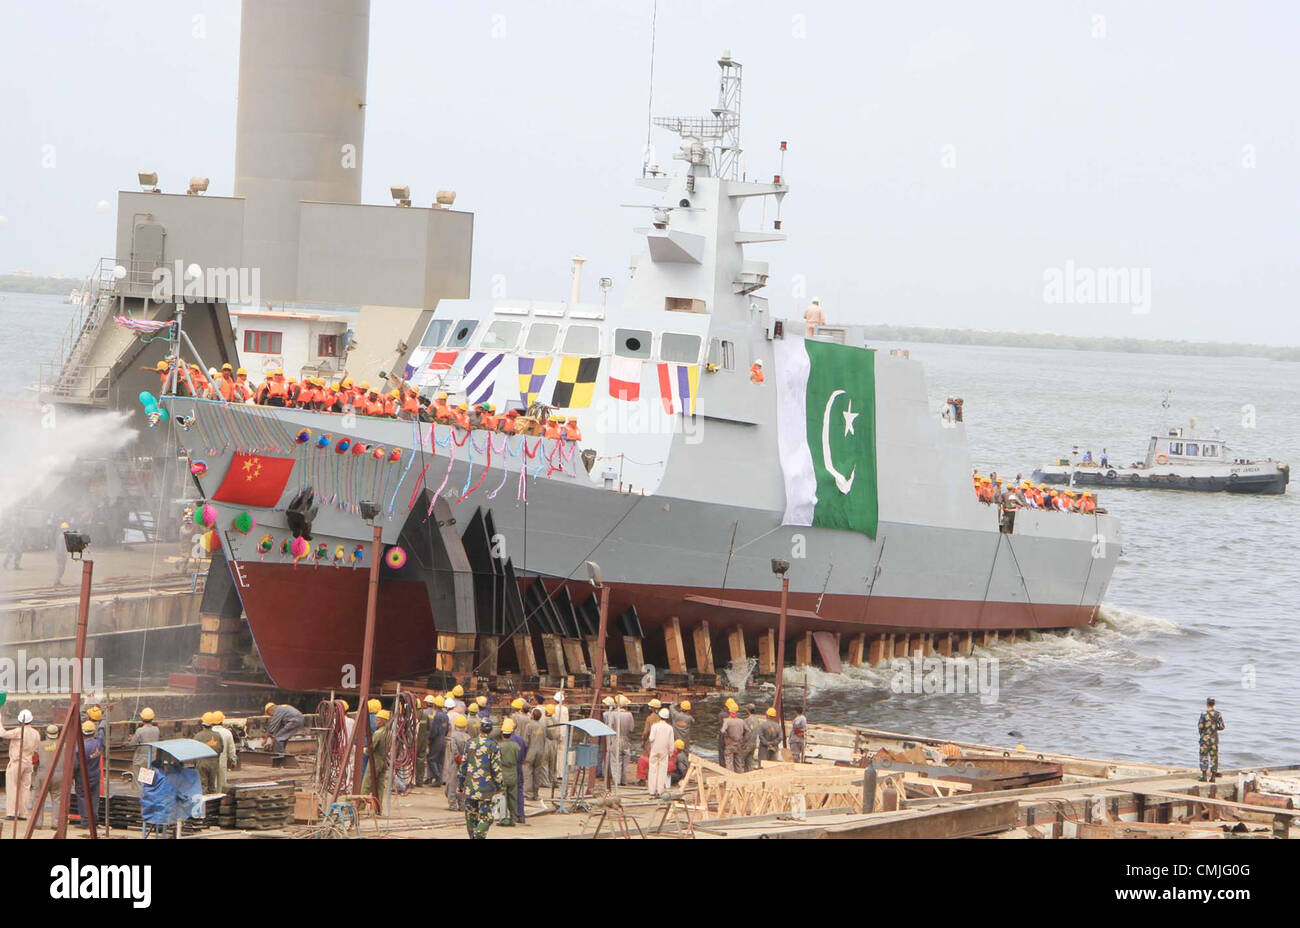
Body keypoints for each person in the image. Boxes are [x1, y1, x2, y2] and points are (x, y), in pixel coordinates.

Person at [458, 718, 504, 839]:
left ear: (480, 729)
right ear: (491, 730)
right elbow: (496, 769)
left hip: (470, 788)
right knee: (487, 817)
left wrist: (461, 784)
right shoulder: (493, 745)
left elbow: (463, 765)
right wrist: (499, 786)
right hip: (486, 790)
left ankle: (473, 836)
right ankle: (479, 835)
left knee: (470, 817)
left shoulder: (470, 743)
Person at [1, 710, 41, 821]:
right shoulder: (36, 733)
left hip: (16, 762)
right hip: (28, 763)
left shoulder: (19, 731)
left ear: (20, 720)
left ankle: (12, 813)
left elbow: (2, 733)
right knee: (25, 789)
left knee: (12, 787)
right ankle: (23, 813)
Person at [74, 720, 103, 829]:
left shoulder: (79, 746)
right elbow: (102, 732)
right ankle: (93, 820)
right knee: (94, 797)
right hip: (95, 774)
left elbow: (75, 764)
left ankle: (86, 821)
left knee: (82, 797)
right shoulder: (98, 743)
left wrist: (72, 775)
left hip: (83, 776)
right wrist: (103, 718)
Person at [361, 710, 391, 807]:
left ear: (383, 721)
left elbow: (371, 748)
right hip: (384, 761)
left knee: (366, 784)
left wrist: (364, 751)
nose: (375, 721)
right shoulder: (389, 732)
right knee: (379, 786)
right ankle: (378, 808)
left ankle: (360, 807)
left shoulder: (378, 733)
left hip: (376, 760)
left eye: (378, 720)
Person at [497, 719, 524, 826]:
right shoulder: (516, 746)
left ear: (502, 734)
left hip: (503, 773)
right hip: (513, 774)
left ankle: (504, 819)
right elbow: (520, 758)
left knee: (502, 797)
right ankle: (513, 818)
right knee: (513, 797)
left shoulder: (499, 746)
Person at [38, 724, 66, 828]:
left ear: (46, 733)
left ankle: (38, 823)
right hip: (59, 774)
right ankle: (55, 823)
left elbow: (35, 760)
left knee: (39, 799)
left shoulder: (40, 745)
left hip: (43, 774)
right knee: (57, 799)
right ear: (57, 734)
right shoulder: (64, 745)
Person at [607, 696, 635, 787]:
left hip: (615, 738)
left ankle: (616, 781)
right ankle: (623, 780)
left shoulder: (613, 714)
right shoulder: (629, 714)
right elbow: (631, 728)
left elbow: (610, 727)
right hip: (626, 739)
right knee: (625, 761)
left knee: (615, 761)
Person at [444, 715, 471, 811]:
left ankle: (452, 804)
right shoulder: (468, 737)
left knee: (452, 783)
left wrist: (458, 758)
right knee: (462, 784)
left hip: (455, 763)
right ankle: (462, 805)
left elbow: (454, 750)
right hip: (465, 763)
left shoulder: (454, 736)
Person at [192, 712, 223, 793]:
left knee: (203, 786)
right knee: (212, 786)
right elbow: (221, 749)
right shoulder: (217, 735)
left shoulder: (198, 736)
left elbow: (193, 751)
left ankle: (204, 804)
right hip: (214, 763)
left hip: (202, 763)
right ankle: (213, 804)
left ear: (203, 725)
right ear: (212, 724)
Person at [646, 708, 674, 798]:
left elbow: (651, 738)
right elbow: (671, 742)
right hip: (664, 751)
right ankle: (660, 790)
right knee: (662, 770)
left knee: (653, 770)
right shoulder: (670, 728)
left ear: (660, 716)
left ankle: (652, 791)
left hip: (654, 750)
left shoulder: (655, 726)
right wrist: (671, 752)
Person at [1198, 697, 1226, 782]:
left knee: (1203, 756)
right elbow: (1222, 726)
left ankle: (1204, 776)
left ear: (1207, 704)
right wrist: (1214, 728)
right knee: (1214, 757)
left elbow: (1200, 727)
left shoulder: (1203, 714)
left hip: (1205, 739)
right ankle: (1213, 777)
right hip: (1214, 739)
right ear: (1214, 704)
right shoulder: (1218, 714)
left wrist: (1203, 734)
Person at [522, 708, 548, 800]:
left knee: (528, 772)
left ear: (532, 716)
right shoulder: (543, 726)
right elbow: (545, 739)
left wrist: (523, 754)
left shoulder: (529, 726)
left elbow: (526, 741)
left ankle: (528, 794)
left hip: (530, 753)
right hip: (540, 752)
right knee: (537, 772)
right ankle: (536, 794)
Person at [210, 711, 238, 793]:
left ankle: (212, 800)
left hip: (211, 761)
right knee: (222, 784)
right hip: (222, 762)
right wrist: (233, 761)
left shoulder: (209, 732)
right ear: (222, 721)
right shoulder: (227, 733)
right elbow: (231, 749)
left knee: (212, 783)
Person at [427, 695, 449, 786]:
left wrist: (430, 739)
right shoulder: (445, 715)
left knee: (431, 759)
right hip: (443, 739)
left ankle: (438, 778)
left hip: (437, 740)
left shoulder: (437, 716)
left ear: (435, 705)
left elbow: (434, 730)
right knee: (440, 760)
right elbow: (447, 728)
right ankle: (437, 779)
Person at [720, 706, 746, 772]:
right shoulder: (741, 721)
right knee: (738, 762)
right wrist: (744, 739)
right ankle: (739, 777)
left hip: (730, 744)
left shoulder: (727, 721)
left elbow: (722, 731)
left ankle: (730, 777)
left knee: (729, 762)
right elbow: (748, 731)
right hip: (739, 744)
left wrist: (727, 737)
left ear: (730, 712)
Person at [740, 704, 761, 772]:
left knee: (740, 761)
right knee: (749, 762)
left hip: (746, 744)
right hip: (753, 744)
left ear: (747, 710)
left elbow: (743, 732)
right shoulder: (757, 720)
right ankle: (748, 775)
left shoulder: (746, 720)